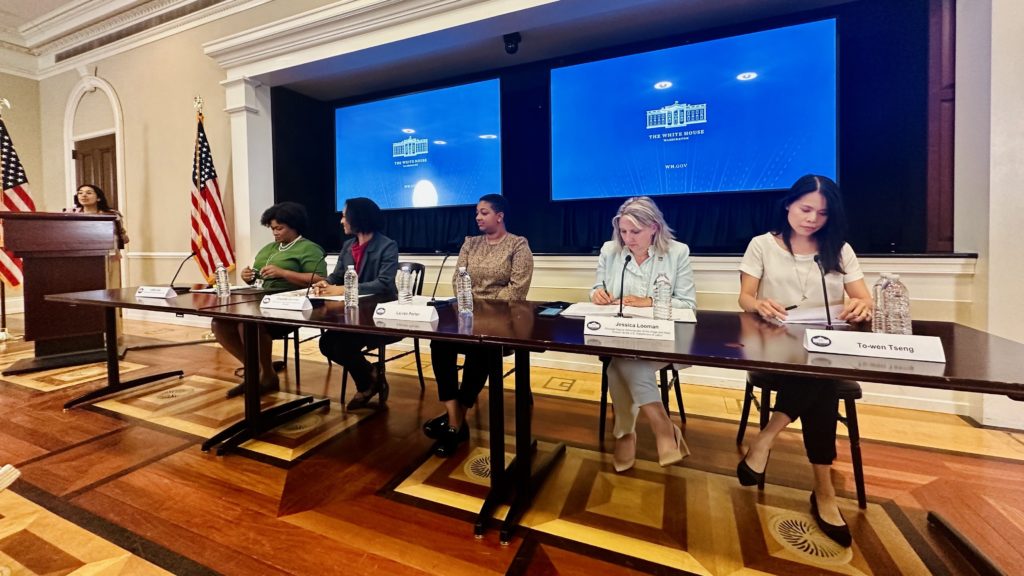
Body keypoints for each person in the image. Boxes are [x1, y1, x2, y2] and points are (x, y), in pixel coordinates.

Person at [736, 174, 872, 548]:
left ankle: (766, 439)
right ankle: (823, 492)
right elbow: (745, 297)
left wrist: (861, 306)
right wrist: (759, 303)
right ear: (788, 206)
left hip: (823, 347)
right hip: (773, 346)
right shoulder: (762, 245)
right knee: (820, 380)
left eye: (822, 213)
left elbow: (864, 299)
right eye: (805, 209)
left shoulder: (838, 249)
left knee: (820, 376)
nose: (812, 219)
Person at [422, 194, 534, 457]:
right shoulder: (470, 244)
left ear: (500, 215)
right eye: (476, 213)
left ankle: (454, 424)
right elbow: (458, 281)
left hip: (503, 323)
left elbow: (517, 291)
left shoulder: (518, 245)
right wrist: (471, 307)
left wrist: (482, 304)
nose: (478, 217)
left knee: (481, 348)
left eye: (484, 212)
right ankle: (454, 415)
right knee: (439, 342)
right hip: (468, 318)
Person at [590, 196, 695, 472]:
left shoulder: (677, 252)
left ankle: (627, 433)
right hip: (620, 334)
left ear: (654, 228)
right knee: (624, 359)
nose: (628, 239)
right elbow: (596, 288)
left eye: (635, 232)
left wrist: (649, 301)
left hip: (663, 339)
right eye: (623, 232)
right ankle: (661, 426)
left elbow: (687, 304)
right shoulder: (611, 251)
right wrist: (598, 295)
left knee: (620, 365)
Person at [212, 202, 328, 398]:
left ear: (294, 225)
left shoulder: (308, 248)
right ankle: (257, 371)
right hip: (259, 300)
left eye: (279, 228)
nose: (274, 233)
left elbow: (319, 280)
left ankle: (266, 376)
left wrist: (284, 273)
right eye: (272, 228)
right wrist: (247, 275)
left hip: (291, 307)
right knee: (219, 323)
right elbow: (258, 276)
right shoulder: (268, 249)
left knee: (247, 323)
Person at [314, 198, 400, 410]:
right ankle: (372, 375)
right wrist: (326, 283)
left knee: (343, 346)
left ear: (358, 217)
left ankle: (367, 385)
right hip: (352, 312)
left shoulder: (387, 245)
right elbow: (337, 275)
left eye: (344, 216)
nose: (341, 221)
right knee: (326, 343)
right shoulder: (348, 246)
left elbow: (383, 283)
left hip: (380, 314)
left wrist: (344, 289)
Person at [74, 184, 130, 248]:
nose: (83, 195)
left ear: (98, 198)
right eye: (80, 193)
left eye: (89, 193)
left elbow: (124, 239)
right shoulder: (72, 214)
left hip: (108, 252)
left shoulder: (112, 214)